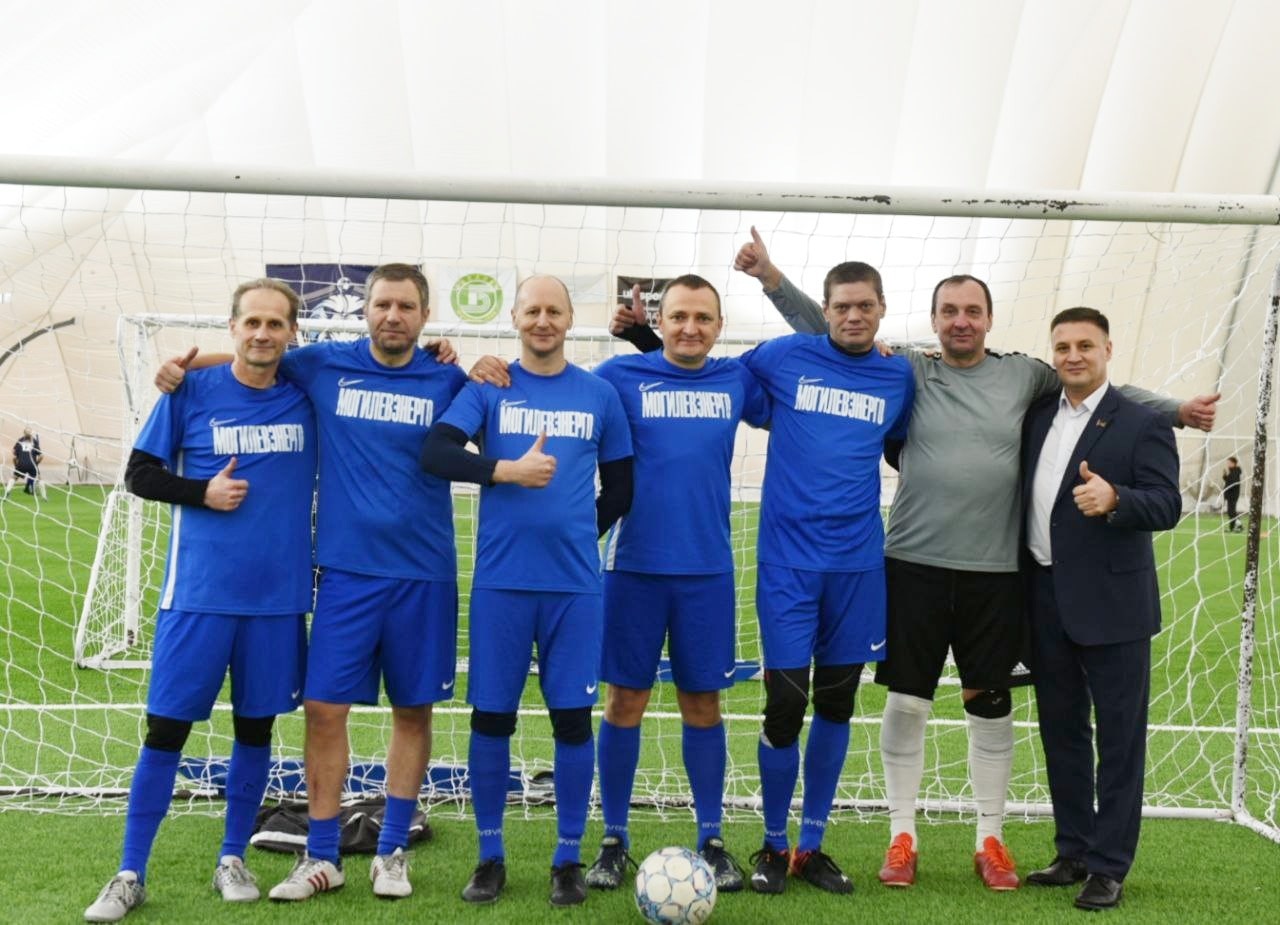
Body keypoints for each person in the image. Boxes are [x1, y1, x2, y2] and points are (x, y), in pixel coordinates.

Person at [717, 227, 1217, 890]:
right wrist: (773, 280)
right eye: (949, 311)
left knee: (990, 701)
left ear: (989, 318)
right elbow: (833, 326)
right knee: (907, 698)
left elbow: (1099, 387)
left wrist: (1175, 409)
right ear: (932, 320)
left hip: (995, 572)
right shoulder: (909, 368)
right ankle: (901, 836)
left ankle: (991, 838)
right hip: (911, 564)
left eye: (972, 310)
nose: (960, 320)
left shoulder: (1025, 374)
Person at [155, 264, 467, 902]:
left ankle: (392, 852)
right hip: (345, 572)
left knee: (413, 710)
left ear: (424, 315)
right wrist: (180, 368)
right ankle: (322, 855)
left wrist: (485, 366)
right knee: (324, 709)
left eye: (406, 306)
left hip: (424, 571)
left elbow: (487, 419)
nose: (393, 316)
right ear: (365, 311)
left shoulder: (448, 378)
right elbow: (256, 356)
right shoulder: (324, 363)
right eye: (382, 304)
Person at [84, 279, 316, 922]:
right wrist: (201, 493)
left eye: (275, 323)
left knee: (255, 728)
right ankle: (129, 872)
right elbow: (139, 474)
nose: (262, 333)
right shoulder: (190, 391)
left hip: (277, 601)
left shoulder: (307, 395)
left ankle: (232, 857)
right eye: (251, 322)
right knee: (167, 730)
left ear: (292, 333)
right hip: (197, 595)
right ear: (232, 326)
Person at [420, 275, 634, 907]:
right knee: (492, 719)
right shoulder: (489, 385)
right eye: (532, 310)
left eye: (554, 311)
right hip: (501, 586)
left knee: (572, 720)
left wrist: (577, 535)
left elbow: (621, 488)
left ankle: (567, 858)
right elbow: (436, 453)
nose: (543, 320)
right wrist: (504, 471)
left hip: (574, 589)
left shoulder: (598, 394)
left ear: (570, 319)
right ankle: (490, 855)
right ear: (514, 317)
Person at [576, 276, 768, 893]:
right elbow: (561, 395)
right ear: (659, 321)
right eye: (679, 316)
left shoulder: (737, 380)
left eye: (703, 318)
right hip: (633, 567)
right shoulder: (618, 377)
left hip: (707, 571)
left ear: (720, 325)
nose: (691, 327)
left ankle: (712, 837)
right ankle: (613, 839)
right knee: (624, 702)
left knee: (703, 705)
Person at [734, 261, 914, 895]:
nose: (853, 316)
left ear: (882, 307)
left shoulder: (900, 374)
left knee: (837, 702)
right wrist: (645, 339)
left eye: (865, 305)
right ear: (826, 309)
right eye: (842, 306)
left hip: (857, 566)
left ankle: (811, 845)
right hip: (787, 563)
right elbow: (711, 373)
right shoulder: (784, 356)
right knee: (786, 703)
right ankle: (773, 843)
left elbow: (905, 439)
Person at [1021, 307, 1181, 911]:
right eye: (1062, 346)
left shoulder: (1142, 421)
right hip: (1044, 598)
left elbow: (1167, 503)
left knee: (1119, 740)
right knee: (1061, 732)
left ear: (1108, 350)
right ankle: (1074, 851)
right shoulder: (1037, 415)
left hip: (1114, 605)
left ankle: (1110, 866)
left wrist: (1117, 499)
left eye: (1085, 345)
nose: (1073, 356)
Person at [8, 427, 46, 499]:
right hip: (32, 464)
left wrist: (19, 458)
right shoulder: (34, 441)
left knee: (14, 477)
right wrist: (36, 463)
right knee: (39, 478)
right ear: (31, 433)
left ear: (24, 433)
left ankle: (7, 492)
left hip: (21, 463)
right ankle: (44, 496)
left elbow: (13, 453)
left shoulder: (20, 440)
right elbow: (41, 456)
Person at [1222, 456, 1243, 532]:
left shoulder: (1235, 472)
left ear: (1234, 463)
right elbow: (1229, 481)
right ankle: (1232, 527)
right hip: (1230, 494)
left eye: (1229, 463)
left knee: (1231, 511)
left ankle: (1239, 526)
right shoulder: (1232, 472)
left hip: (1233, 495)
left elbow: (1233, 483)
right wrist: (1225, 476)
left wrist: (1227, 489)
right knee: (1231, 511)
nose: (1228, 464)